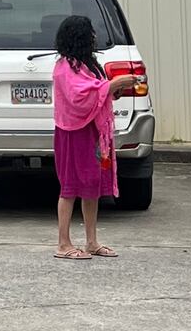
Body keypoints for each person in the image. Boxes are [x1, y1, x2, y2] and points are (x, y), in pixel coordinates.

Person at [52, 14, 141, 260]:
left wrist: (113, 91)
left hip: (93, 132)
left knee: (91, 185)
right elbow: (78, 97)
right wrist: (111, 86)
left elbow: (95, 93)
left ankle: (92, 241)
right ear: (79, 37)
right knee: (70, 187)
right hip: (72, 133)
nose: (94, 37)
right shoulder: (64, 68)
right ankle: (63, 243)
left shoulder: (88, 64)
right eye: (90, 33)